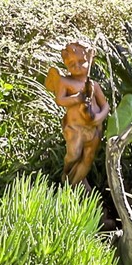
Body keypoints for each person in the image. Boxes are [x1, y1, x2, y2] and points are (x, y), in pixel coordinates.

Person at [45, 39, 110, 185]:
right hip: (75, 129)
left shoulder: (94, 85)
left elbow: (105, 106)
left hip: (93, 128)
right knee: (73, 156)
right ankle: (67, 178)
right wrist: (77, 98)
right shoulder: (65, 82)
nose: (77, 66)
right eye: (72, 63)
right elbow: (60, 100)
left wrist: (99, 118)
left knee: (88, 158)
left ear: (90, 60)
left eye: (81, 61)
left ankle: (76, 184)